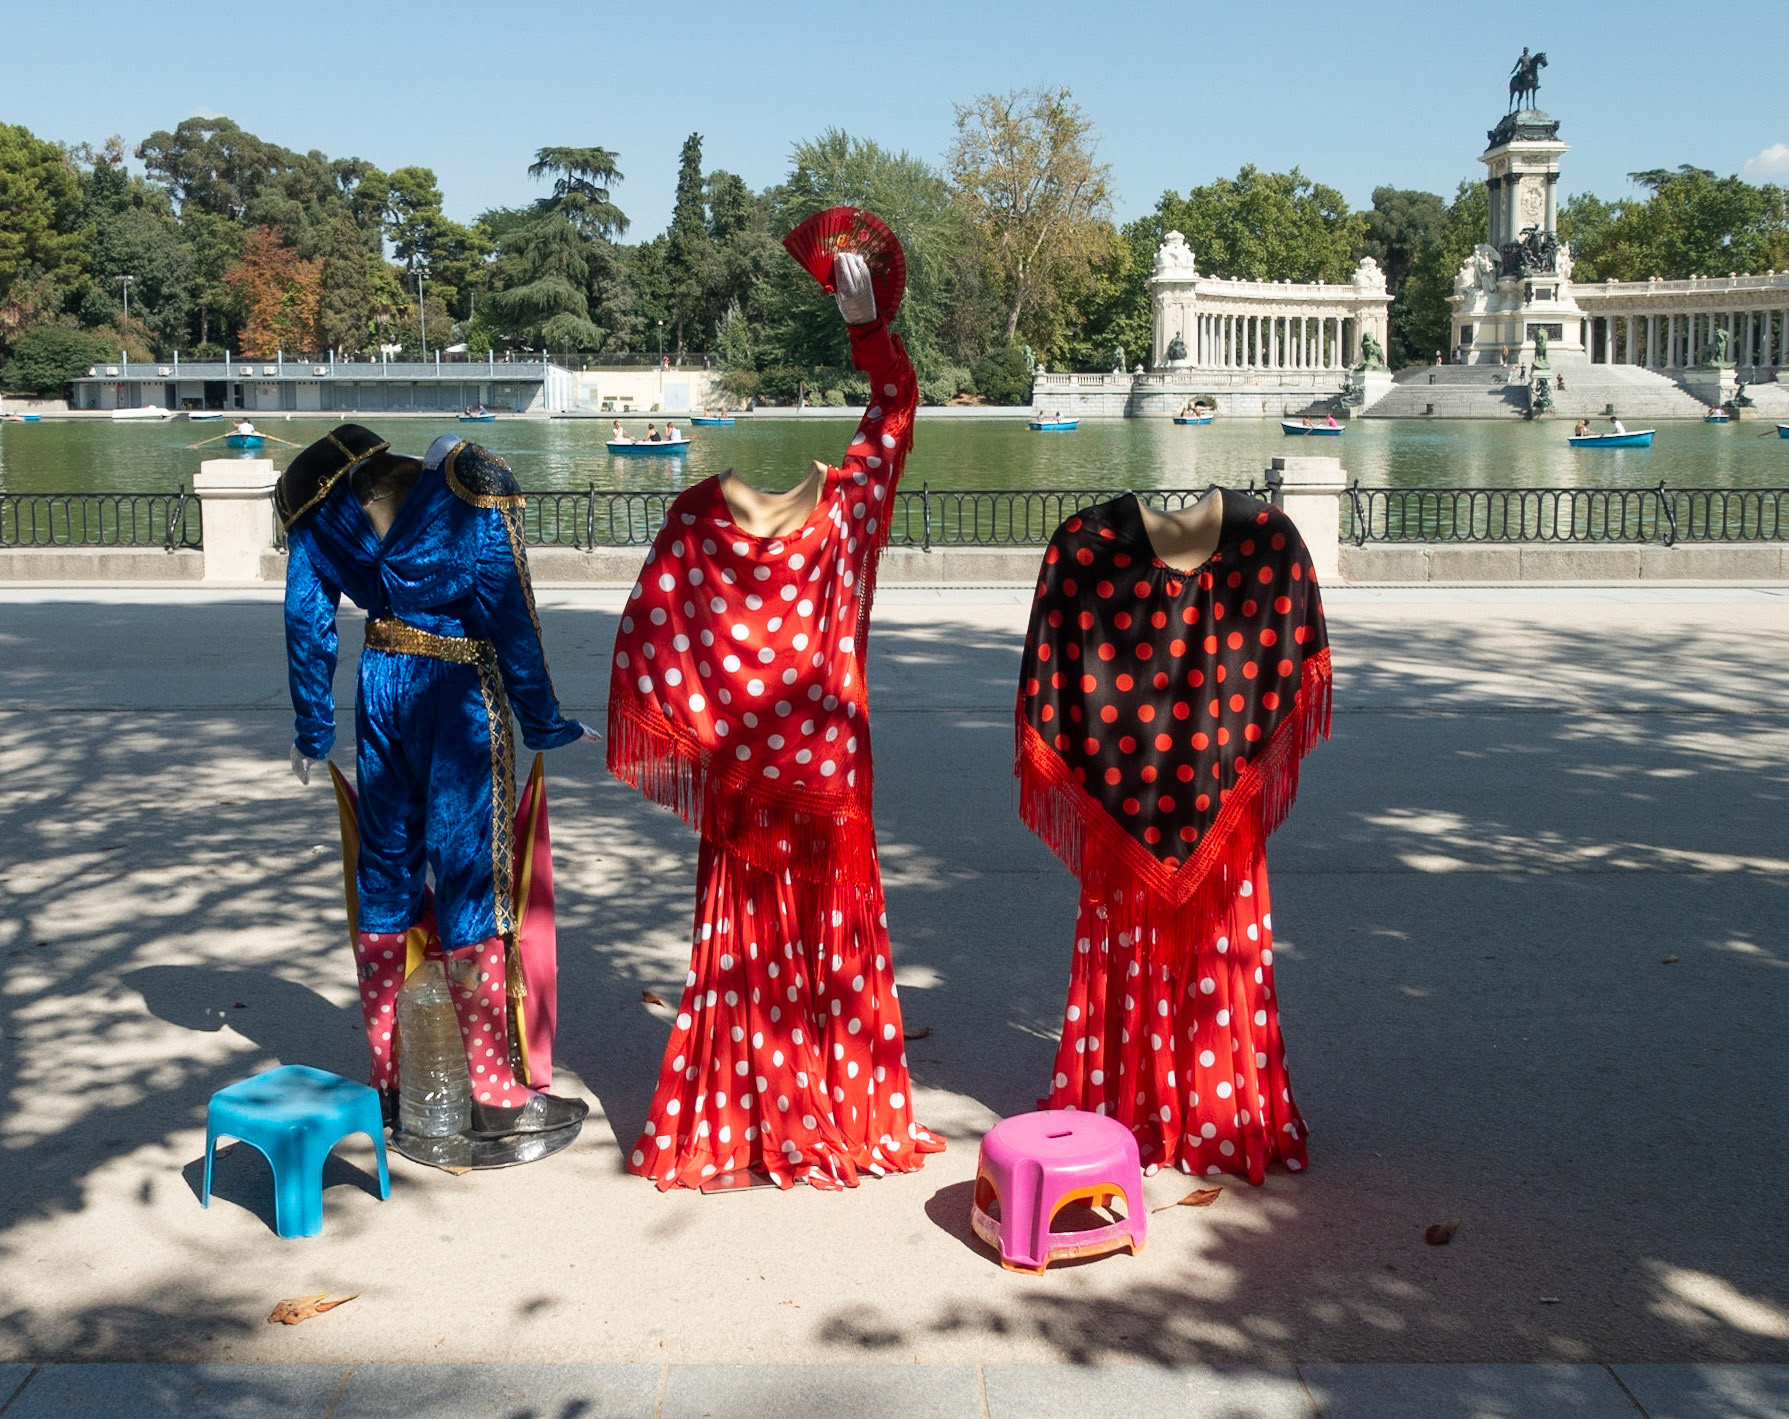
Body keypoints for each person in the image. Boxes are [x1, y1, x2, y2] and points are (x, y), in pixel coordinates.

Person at [606, 217, 945, 1192]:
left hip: (746, 790)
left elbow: (650, 648)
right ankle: (843, 1109)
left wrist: (705, 747)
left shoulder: (698, 523)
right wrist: (867, 330)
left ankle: (743, 1114)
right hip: (825, 785)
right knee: (828, 945)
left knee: (744, 949)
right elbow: (895, 406)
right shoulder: (845, 514)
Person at [280, 424, 596, 1138]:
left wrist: (311, 727)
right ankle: (491, 1093)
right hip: (457, 690)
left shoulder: (318, 505)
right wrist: (543, 718)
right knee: (469, 876)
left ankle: (391, 1086)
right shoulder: (472, 480)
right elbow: (512, 612)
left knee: (385, 875)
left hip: (382, 680)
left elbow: (307, 620)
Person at [1017, 487, 1331, 1180]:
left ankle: (1123, 1106)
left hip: (1142, 808)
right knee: (1219, 948)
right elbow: (1290, 667)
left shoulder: (1089, 545)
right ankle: (1221, 1114)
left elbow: (1052, 687)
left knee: (1149, 942)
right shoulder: (1266, 540)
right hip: (1206, 807)